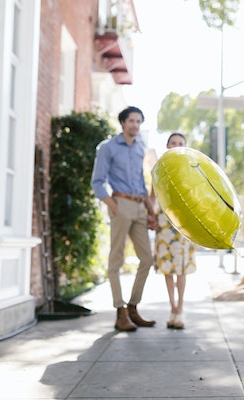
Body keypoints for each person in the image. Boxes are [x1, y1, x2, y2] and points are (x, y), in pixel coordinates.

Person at [91, 106, 157, 332]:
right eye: (131, 121)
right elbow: (97, 182)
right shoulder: (107, 148)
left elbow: (140, 181)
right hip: (121, 204)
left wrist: (150, 211)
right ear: (122, 123)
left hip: (140, 205)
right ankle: (120, 312)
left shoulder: (139, 149)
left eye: (139, 121)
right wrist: (114, 206)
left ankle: (133, 308)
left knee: (147, 258)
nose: (135, 125)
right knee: (116, 260)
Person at [153, 132, 197, 329]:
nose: (176, 145)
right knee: (167, 268)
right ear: (167, 145)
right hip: (164, 223)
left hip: (184, 223)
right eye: (173, 142)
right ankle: (172, 307)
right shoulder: (159, 168)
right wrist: (150, 215)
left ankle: (180, 309)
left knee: (181, 268)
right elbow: (152, 194)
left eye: (180, 143)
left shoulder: (191, 168)